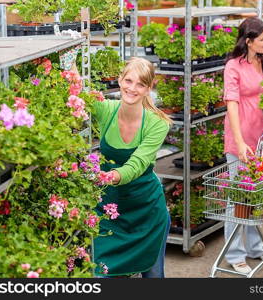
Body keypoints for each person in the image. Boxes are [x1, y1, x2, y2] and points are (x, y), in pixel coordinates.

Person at [93, 57, 172, 278]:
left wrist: (111, 176)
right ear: (119, 80)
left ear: (148, 88)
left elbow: (137, 164)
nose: (132, 88)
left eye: (140, 84)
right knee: (102, 274)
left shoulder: (158, 123)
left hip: (147, 212)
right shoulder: (105, 110)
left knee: (153, 276)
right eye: (128, 81)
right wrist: (69, 51)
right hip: (109, 210)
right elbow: (77, 90)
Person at [223, 17, 263, 274]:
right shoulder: (234, 66)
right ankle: (235, 254)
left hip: (262, 135)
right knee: (238, 198)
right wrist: (240, 142)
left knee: (257, 194)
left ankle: (255, 247)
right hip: (241, 137)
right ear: (248, 41)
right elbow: (232, 104)